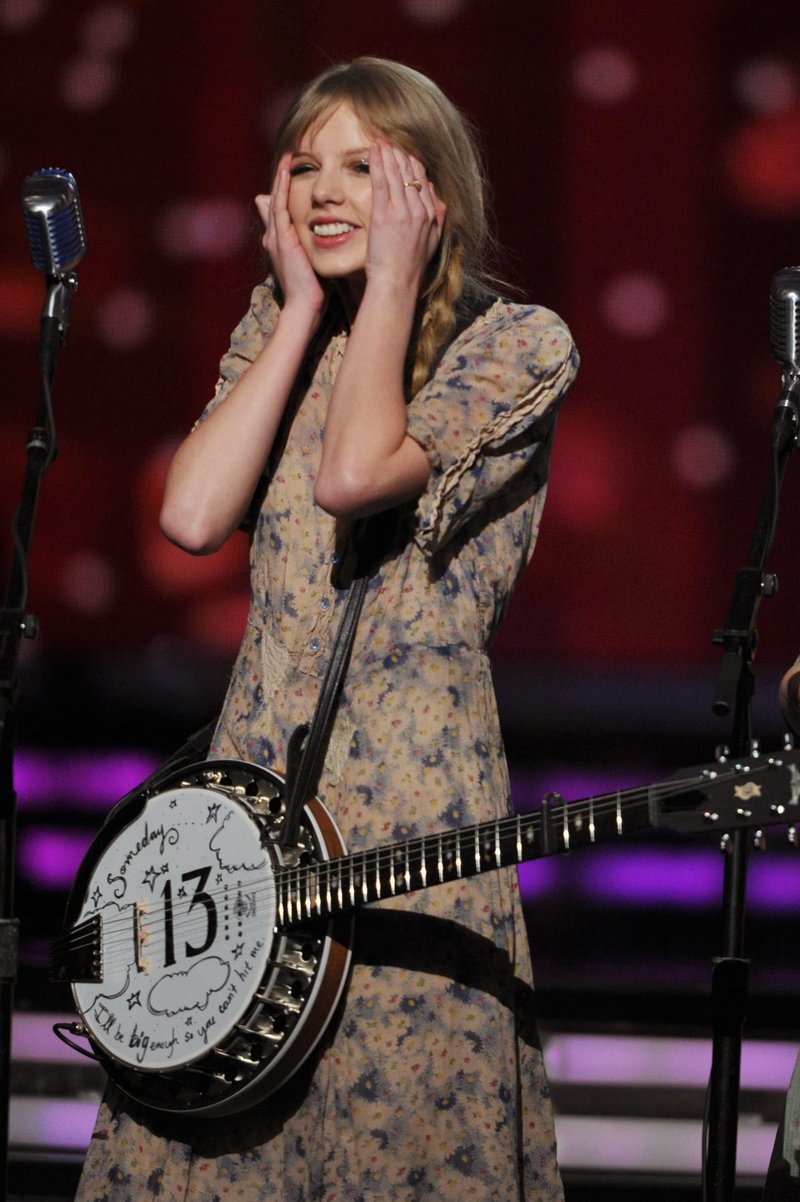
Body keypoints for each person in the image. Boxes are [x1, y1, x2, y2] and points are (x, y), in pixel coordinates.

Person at [74, 56, 579, 1202]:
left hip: (406, 813)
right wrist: (301, 306)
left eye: (362, 165)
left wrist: (392, 285)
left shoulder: (516, 344)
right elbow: (192, 513)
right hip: (248, 813)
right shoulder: (279, 328)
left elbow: (358, 474)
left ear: (429, 191)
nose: (323, 189)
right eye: (304, 164)